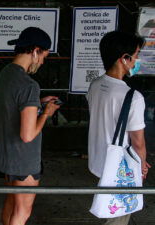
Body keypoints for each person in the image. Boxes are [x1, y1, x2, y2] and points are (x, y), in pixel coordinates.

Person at [0, 27, 60, 225]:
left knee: (11, 201)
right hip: (24, 158)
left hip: (6, 153)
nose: (41, 62)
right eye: (43, 57)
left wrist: (38, 104)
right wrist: (46, 113)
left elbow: (13, 106)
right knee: (23, 210)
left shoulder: (6, 73)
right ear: (35, 51)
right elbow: (27, 135)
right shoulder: (29, 84)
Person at [87, 31, 151, 225]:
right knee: (118, 219)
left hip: (97, 162)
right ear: (124, 58)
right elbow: (138, 142)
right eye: (136, 54)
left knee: (110, 211)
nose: (137, 60)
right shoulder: (133, 97)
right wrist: (141, 166)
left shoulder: (95, 85)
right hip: (118, 170)